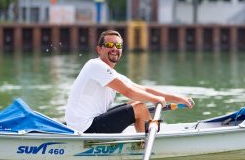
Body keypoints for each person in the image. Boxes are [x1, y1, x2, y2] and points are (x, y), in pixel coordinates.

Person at [65, 30, 194, 133]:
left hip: (88, 124)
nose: (115, 48)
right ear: (99, 49)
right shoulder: (95, 65)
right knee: (138, 107)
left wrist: (178, 98)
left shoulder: (110, 73)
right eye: (110, 45)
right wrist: (156, 100)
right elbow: (128, 91)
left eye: (118, 45)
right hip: (84, 129)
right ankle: (150, 143)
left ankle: (143, 136)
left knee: (137, 104)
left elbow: (143, 90)